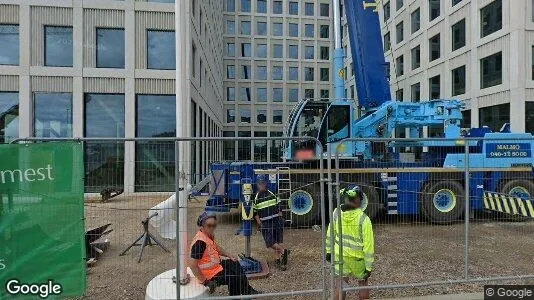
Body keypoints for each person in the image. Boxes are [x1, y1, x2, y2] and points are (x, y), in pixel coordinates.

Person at [188, 211, 261, 296]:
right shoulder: (200, 242)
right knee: (233, 277)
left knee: (234, 263)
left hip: (215, 267)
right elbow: (193, 265)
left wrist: (229, 255)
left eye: (214, 225)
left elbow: (216, 247)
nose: (212, 228)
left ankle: (246, 291)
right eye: (209, 225)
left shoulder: (207, 235)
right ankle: (240, 295)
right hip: (209, 274)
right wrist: (205, 282)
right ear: (202, 225)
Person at [325, 185, 375, 300]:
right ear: (358, 200)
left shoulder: (336, 213)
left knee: (341, 284)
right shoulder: (364, 219)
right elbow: (368, 246)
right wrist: (368, 266)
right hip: (358, 259)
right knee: (363, 284)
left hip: (340, 256)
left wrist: (328, 251)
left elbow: (330, 234)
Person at [253, 174, 290, 271]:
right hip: (265, 223)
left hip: (277, 221)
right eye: (259, 183)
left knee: (277, 241)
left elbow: (279, 206)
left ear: (266, 183)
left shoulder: (272, 193)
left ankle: (279, 261)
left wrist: (281, 219)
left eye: (263, 183)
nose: (261, 185)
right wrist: (259, 223)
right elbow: (255, 212)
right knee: (269, 242)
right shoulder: (256, 197)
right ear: (257, 184)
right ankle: (283, 251)